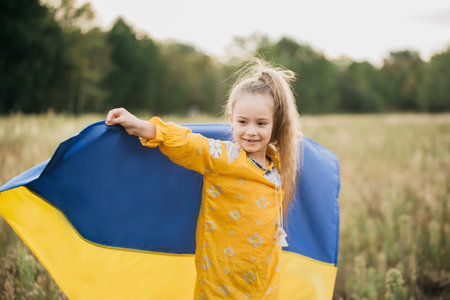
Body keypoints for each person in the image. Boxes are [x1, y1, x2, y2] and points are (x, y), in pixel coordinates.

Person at [105, 59, 302, 299]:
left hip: (264, 285)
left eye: (261, 123)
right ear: (231, 119)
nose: (251, 131)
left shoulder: (277, 163)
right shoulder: (224, 157)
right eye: (243, 122)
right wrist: (142, 126)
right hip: (221, 283)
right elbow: (189, 144)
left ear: (275, 123)